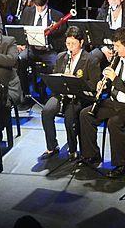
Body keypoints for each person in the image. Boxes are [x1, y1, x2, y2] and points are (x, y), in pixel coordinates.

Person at [79, 28, 125, 177]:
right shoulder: (117, 59)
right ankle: (92, 155)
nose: (115, 50)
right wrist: (103, 84)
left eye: (118, 46)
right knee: (85, 114)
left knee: (115, 122)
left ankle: (122, 165)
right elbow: (111, 84)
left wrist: (115, 79)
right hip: (114, 103)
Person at [39, 26, 99, 161]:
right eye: (67, 43)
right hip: (61, 95)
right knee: (46, 111)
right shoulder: (61, 57)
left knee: (69, 117)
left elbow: (94, 85)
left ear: (81, 42)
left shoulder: (90, 59)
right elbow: (55, 77)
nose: (70, 47)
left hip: (78, 97)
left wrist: (75, 82)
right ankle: (52, 146)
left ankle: (73, 149)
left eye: (73, 44)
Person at [17, 0, 66, 102]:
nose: (40, 9)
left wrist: (53, 32)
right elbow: (21, 31)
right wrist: (22, 43)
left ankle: (55, 97)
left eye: (42, 6)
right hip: (31, 49)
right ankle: (25, 95)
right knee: (20, 59)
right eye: (37, 6)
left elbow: (62, 38)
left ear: (47, 1)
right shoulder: (28, 12)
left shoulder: (57, 15)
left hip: (49, 50)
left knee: (56, 63)